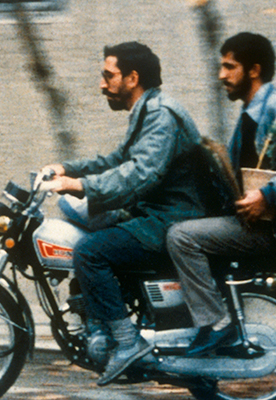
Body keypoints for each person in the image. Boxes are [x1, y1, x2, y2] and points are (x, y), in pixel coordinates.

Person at [42, 41, 208, 385]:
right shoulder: (148, 110)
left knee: (90, 251)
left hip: (171, 218)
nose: (102, 84)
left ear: (132, 78)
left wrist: (80, 186)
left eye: (109, 75)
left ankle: (126, 341)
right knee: (77, 218)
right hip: (155, 211)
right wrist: (67, 168)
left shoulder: (161, 115)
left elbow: (141, 173)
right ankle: (98, 322)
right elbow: (116, 161)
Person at [166, 32, 276, 357]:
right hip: (250, 222)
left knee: (182, 238)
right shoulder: (252, 113)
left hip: (270, 231)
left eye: (229, 67)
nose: (221, 75)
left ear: (253, 70)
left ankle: (217, 325)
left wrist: (267, 195)